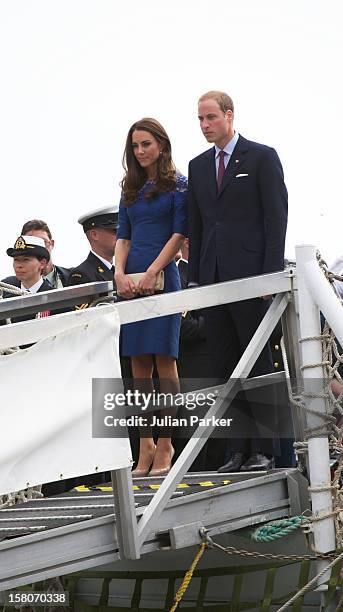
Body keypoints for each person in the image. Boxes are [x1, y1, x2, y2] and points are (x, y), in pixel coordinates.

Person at [187, 90, 288, 472]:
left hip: (252, 278)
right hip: (213, 280)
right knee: (226, 365)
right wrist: (196, 280)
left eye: (210, 117)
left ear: (229, 115)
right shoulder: (197, 167)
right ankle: (236, 451)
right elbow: (197, 227)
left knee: (256, 364)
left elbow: (275, 218)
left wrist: (268, 275)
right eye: (199, 119)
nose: (204, 125)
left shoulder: (261, 157)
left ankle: (264, 450)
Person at [115, 117, 187, 477]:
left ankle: (165, 443)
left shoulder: (178, 184)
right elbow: (123, 236)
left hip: (162, 277)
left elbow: (178, 234)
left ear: (161, 144)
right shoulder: (129, 187)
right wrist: (118, 273)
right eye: (135, 146)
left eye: (146, 144)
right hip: (130, 281)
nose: (140, 151)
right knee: (138, 365)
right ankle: (143, 445)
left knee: (164, 362)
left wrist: (153, 270)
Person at [2, 235, 52, 323]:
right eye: (16, 260)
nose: (19, 265)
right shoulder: (5, 299)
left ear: (42, 263)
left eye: (26, 260)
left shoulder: (56, 300)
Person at [20, 220, 70, 288]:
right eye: (31, 244)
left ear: (52, 244)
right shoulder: (7, 288)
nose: (38, 249)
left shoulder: (75, 277)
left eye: (43, 242)